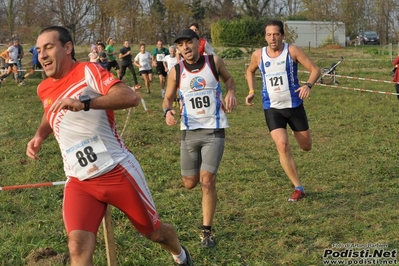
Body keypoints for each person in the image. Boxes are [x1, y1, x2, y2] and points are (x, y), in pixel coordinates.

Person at [25, 26, 193, 266]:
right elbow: (49, 111)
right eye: (39, 50)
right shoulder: (44, 88)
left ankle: (181, 255)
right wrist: (40, 135)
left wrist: (85, 103)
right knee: (77, 248)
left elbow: (130, 97)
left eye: (49, 47)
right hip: (79, 180)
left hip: (116, 171)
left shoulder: (88, 71)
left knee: (154, 232)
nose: (42, 55)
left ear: (68, 48)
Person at [162, 29, 237, 248]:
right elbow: (167, 98)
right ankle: (200, 191)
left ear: (198, 43)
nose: (185, 48)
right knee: (189, 183)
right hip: (188, 133)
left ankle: (206, 231)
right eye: (181, 44)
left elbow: (230, 79)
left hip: (214, 130)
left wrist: (231, 91)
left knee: (207, 181)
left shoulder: (213, 61)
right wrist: (166, 111)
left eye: (189, 43)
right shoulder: (176, 71)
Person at [245, 19, 321, 202]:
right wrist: (252, 91)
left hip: (294, 106)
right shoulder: (258, 55)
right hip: (272, 108)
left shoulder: (292, 51)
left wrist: (308, 85)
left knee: (306, 146)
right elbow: (250, 71)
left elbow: (315, 70)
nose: (272, 38)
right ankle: (298, 187)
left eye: (276, 34)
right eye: (269, 35)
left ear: (282, 35)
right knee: (282, 145)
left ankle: (298, 137)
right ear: (265, 37)